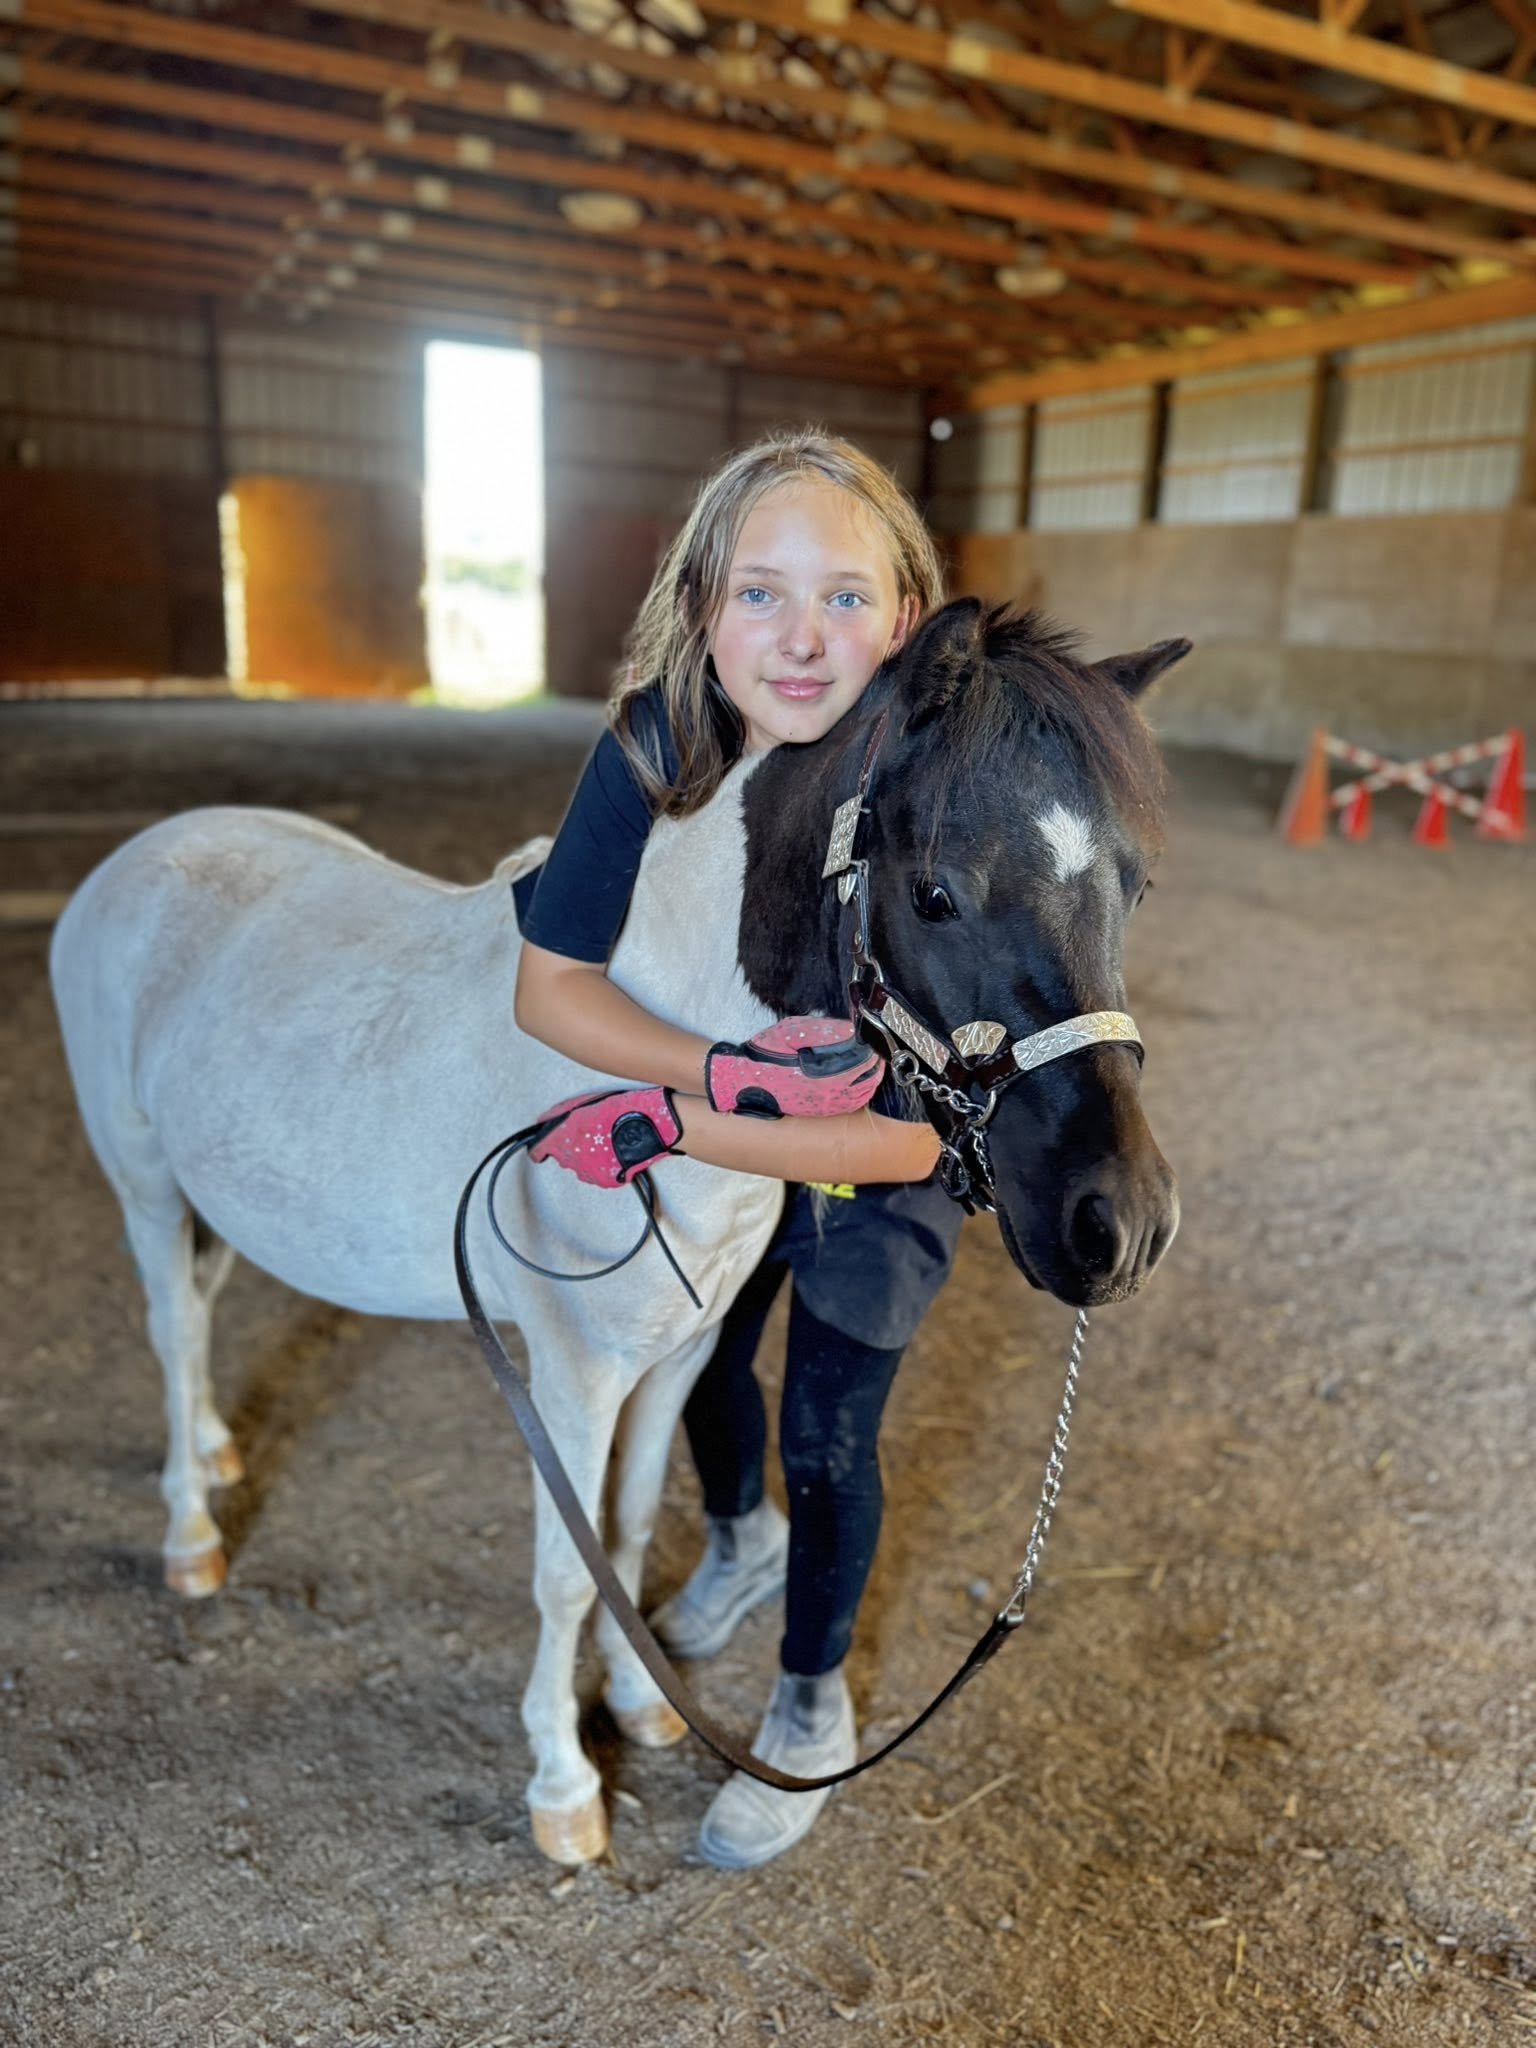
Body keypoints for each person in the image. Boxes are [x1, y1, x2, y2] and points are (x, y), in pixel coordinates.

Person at [512, 428, 962, 1867]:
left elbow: (909, 1141)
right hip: (738, 1127)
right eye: (760, 592)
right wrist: (712, 1075)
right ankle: (738, 1539)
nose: (802, 634)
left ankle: (811, 1706)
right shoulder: (658, 740)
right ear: (703, 605)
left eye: (845, 594)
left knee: (829, 1421)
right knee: (699, 1365)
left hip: (876, 1145)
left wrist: (674, 1118)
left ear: (903, 614)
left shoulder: (942, 794)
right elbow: (549, 984)